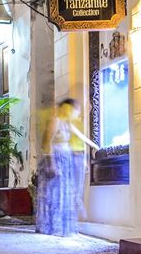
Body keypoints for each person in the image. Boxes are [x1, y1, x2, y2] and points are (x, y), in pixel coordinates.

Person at [36, 98, 99, 237]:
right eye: (75, 109)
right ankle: (53, 227)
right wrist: (51, 163)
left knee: (64, 192)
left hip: (65, 159)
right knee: (55, 193)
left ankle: (63, 227)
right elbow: (47, 143)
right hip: (56, 158)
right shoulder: (55, 121)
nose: (77, 112)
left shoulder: (66, 123)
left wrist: (94, 146)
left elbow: (80, 136)